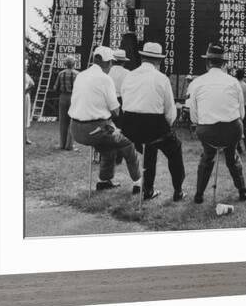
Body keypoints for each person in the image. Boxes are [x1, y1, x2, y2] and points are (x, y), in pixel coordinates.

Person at [68, 46, 141, 193]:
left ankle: (104, 181)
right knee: (127, 142)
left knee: (108, 148)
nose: (111, 66)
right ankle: (139, 182)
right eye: (111, 63)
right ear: (107, 63)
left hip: (75, 128)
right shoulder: (105, 79)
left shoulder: (81, 75)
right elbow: (115, 110)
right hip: (95, 128)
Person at [121, 42, 186, 201]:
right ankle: (178, 191)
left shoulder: (129, 76)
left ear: (143, 58)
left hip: (129, 127)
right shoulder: (161, 78)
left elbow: (125, 102)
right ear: (158, 61)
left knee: (150, 147)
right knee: (174, 149)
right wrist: (166, 128)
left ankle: (148, 190)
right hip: (153, 126)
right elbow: (170, 112)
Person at [189, 43, 246, 204]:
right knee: (232, 157)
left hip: (207, 130)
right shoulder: (234, 82)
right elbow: (241, 113)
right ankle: (242, 191)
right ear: (224, 64)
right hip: (232, 128)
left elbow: (194, 116)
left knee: (207, 157)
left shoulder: (197, 82)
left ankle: (199, 195)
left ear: (207, 62)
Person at [52, 56, 79, 150]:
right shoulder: (77, 74)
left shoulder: (61, 74)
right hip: (73, 97)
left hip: (63, 97)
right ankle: (69, 145)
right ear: (73, 64)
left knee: (63, 121)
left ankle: (61, 144)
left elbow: (55, 87)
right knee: (72, 121)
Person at [24, 58, 35, 145]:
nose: (27, 67)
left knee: (25, 116)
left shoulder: (26, 75)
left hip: (25, 96)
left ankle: (26, 137)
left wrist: (26, 90)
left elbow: (32, 84)